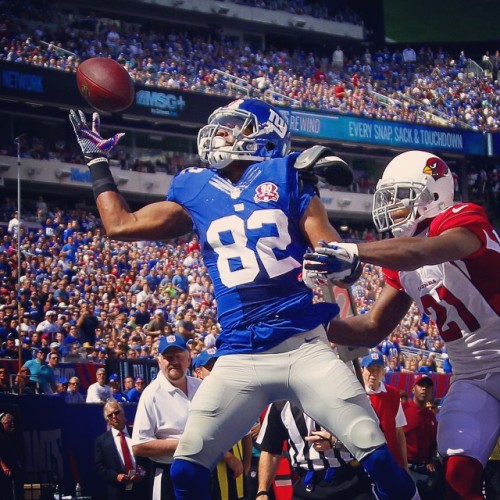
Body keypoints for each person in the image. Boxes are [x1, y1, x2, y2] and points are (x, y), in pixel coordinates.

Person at [70, 99, 418, 500]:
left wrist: (340, 261)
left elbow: (329, 245)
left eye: (233, 126)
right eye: (219, 125)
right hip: (239, 354)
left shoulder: (290, 174)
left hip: (303, 346)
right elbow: (120, 225)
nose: (218, 133)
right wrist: (97, 162)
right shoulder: (194, 187)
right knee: (186, 469)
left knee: (374, 451)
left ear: (264, 136)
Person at [304, 150, 500, 500]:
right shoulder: (400, 264)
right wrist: (310, 321)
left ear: (433, 194)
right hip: (472, 376)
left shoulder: (462, 219)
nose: (389, 208)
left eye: (400, 198)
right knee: (457, 474)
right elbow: (372, 327)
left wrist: (354, 250)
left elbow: (422, 252)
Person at [257, 400, 375, 499]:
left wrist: (337, 442)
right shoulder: (281, 404)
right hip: (307, 485)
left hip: (349, 483)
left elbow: (373, 438)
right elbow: (270, 450)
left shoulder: (348, 394)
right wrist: (262, 491)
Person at [131, 334, 202, 500]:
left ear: (188, 359)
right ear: (159, 361)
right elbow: (139, 445)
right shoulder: (151, 394)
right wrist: (183, 445)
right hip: (169, 475)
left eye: (178, 356)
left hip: (202, 471)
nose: (173, 361)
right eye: (168, 357)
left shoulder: (200, 386)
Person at [191, 348, 252, 500]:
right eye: (211, 367)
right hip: (211, 476)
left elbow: (247, 435)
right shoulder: (194, 401)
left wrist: (246, 465)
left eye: (220, 365)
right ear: (198, 372)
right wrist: (227, 457)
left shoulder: (237, 396)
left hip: (237, 477)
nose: (217, 371)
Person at [360, 351, 408, 469]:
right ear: (362, 370)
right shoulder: (356, 394)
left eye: (378, 369)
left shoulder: (393, 394)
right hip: (365, 463)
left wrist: (405, 465)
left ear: (383, 371)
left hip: (391, 460)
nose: (374, 373)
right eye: (370, 368)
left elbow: (399, 432)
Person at [95, 401, 147, 499]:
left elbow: (147, 458)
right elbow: (99, 467)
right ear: (107, 420)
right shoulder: (101, 441)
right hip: (117, 491)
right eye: (110, 415)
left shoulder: (136, 434)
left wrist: (142, 473)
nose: (114, 416)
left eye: (117, 412)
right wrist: (116, 476)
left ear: (123, 413)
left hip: (140, 489)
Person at [402, 374, 442, 499]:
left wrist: (431, 460)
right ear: (413, 389)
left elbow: (432, 443)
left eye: (428, 386)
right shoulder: (402, 410)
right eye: (421, 385)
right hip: (406, 469)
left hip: (425, 469)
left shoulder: (431, 416)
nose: (424, 389)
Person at [0, 412, 25, 500]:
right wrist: (4, 467)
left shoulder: (11, 436)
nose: (12, 424)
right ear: (2, 424)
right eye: (9, 422)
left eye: (13, 422)